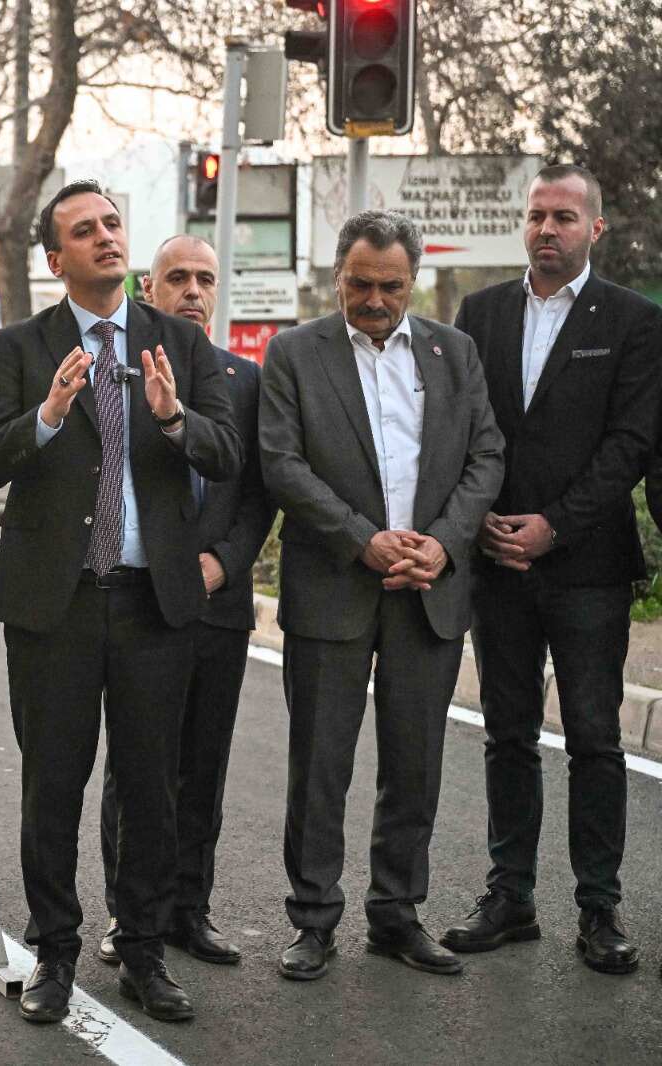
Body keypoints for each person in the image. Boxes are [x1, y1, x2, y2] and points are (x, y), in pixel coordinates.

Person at [0, 180, 242, 1024]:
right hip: (57, 605)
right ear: (57, 259)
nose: (106, 238)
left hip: (155, 603)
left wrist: (171, 420)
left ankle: (146, 951)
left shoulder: (177, 345)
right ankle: (53, 953)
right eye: (84, 231)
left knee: (152, 787)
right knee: (54, 786)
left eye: (113, 224)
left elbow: (226, 451)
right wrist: (46, 415)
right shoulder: (19, 346)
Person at [258, 210, 504, 982]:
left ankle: (397, 914)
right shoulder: (295, 353)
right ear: (337, 277)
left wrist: (443, 541)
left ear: (413, 281)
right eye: (360, 284)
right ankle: (314, 920)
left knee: (415, 764)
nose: (375, 299)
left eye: (391, 286)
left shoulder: (452, 351)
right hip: (334, 583)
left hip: (427, 587)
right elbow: (281, 464)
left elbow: (486, 454)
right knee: (320, 763)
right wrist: (363, 537)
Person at [442, 164, 662, 974]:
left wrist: (555, 527)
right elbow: (466, 426)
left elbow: (630, 446)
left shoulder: (634, 321)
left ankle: (599, 909)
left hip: (589, 568)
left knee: (596, 739)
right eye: (536, 216)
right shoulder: (482, 312)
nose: (547, 230)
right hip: (497, 561)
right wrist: (484, 522)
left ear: (595, 230)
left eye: (564, 217)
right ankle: (511, 897)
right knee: (506, 734)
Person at [96, 235, 275, 968]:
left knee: (204, 764)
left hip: (217, 604)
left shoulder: (244, 379)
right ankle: (128, 914)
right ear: (149, 286)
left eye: (206, 278)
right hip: (141, 602)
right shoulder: (120, 373)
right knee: (138, 768)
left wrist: (223, 564)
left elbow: (259, 492)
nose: (194, 290)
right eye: (179, 277)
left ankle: (189, 911)